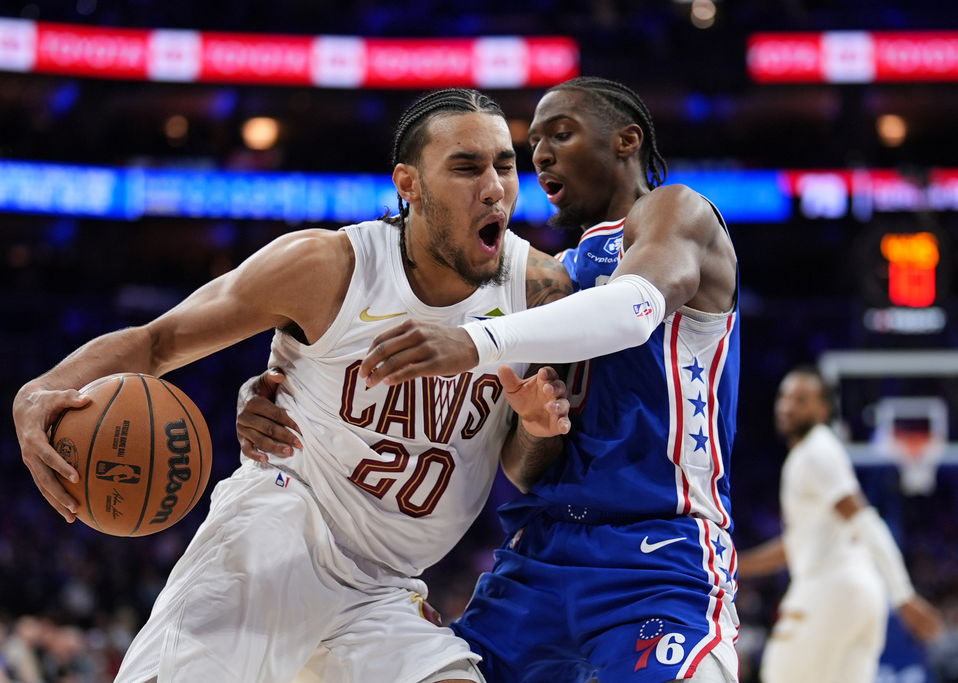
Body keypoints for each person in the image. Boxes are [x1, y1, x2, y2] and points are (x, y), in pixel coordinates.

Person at [12, 88, 573, 683]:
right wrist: (35, 394)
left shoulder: (538, 290)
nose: (494, 187)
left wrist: (539, 429)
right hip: (279, 530)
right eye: (466, 167)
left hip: (384, 588)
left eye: (505, 165)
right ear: (408, 184)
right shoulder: (328, 267)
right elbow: (160, 341)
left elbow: (522, 467)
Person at [249, 75, 742, 682]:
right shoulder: (546, 279)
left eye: (561, 134)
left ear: (626, 141)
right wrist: (278, 386)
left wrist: (472, 341)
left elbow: (633, 311)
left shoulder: (675, 213)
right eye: (533, 143)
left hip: (655, 556)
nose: (541, 155)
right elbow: (521, 466)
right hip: (539, 556)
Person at [736, 365, 943, 683]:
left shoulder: (814, 451)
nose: (787, 405)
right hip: (862, 596)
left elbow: (865, 520)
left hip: (828, 589)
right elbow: (797, 544)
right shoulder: (820, 451)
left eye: (801, 398)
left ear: (823, 408)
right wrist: (737, 564)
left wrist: (903, 594)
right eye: (784, 397)